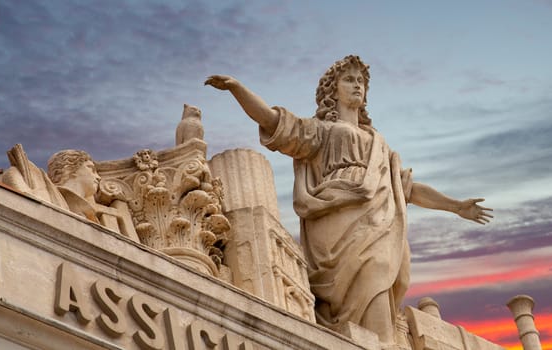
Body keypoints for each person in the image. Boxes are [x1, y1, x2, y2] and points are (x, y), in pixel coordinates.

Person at [205, 55, 492, 345]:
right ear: (333, 90)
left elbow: (404, 189)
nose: (357, 85)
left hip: (378, 221)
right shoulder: (320, 131)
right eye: (349, 79)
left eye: (361, 81)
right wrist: (237, 89)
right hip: (336, 219)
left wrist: (456, 207)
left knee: (380, 273)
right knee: (373, 270)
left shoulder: (378, 143)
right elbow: (273, 121)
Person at [48, 149, 102, 223]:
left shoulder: (89, 214)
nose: (98, 177)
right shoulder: (49, 197)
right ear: (69, 168)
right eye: (91, 169)